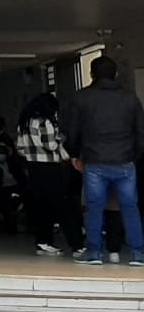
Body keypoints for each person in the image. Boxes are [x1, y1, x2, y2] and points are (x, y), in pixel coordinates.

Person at [62, 55, 144, 265]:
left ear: (91, 74)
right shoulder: (130, 98)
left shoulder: (82, 98)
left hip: (94, 161)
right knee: (130, 207)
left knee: (94, 207)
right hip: (125, 160)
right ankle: (137, 253)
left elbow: (72, 131)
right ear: (116, 74)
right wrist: (134, 157)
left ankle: (94, 252)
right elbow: (140, 132)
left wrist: (74, 154)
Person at [16, 92, 84, 256]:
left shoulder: (23, 123)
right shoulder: (45, 122)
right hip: (49, 167)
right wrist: (61, 137)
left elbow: (19, 148)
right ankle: (76, 245)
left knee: (41, 205)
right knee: (62, 205)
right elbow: (51, 145)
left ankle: (43, 242)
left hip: (33, 166)